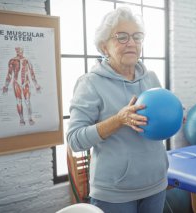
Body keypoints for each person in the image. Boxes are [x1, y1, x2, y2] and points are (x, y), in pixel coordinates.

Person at [66, 7, 168, 213]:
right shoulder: (90, 83)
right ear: (104, 47)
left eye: (136, 36)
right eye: (121, 37)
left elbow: (158, 124)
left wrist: (173, 118)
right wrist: (118, 120)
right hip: (114, 192)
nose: (131, 42)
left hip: (156, 183)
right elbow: (75, 140)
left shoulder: (151, 77)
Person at [2, 47, 41, 126]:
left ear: (23, 51)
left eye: (21, 50)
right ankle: (21, 119)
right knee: (19, 102)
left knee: (27, 101)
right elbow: (9, 74)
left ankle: (30, 118)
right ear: (16, 51)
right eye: (18, 50)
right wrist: (6, 86)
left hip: (25, 83)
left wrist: (36, 85)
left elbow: (32, 73)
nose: (20, 52)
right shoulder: (12, 60)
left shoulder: (27, 60)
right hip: (16, 83)